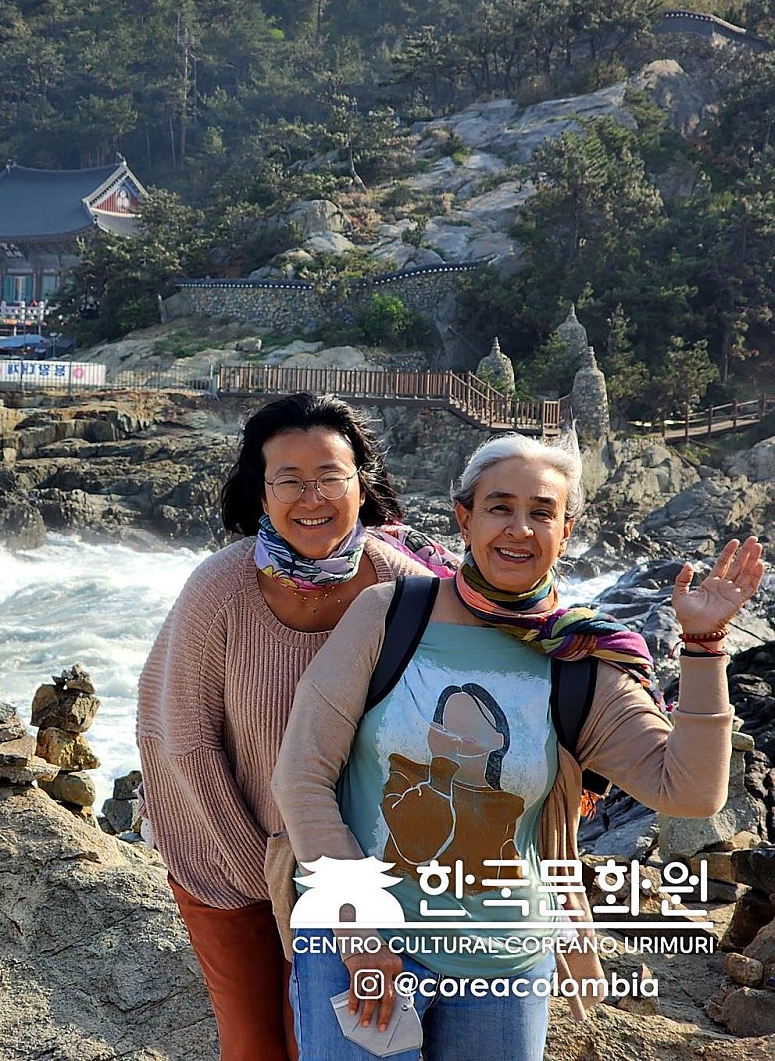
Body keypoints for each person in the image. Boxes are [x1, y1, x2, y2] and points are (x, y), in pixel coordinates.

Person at [272, 434, 763, 1061]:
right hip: (361, 945)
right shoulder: (389, 616)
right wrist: (358, 926)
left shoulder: (581, 659)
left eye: (541, 512)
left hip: (504, 962)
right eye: (499, 507)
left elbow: (690, 793)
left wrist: (704, 646)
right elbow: (302, 776)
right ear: (465, 518)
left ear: (567, 529)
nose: (519, 529)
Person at [137, 393, 452, 1061]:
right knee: (256, 1046)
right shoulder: (219, 589)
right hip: (226, 860)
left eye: (331, 477)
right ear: (261, 492)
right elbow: (181, 740)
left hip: (357, 872)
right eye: (289, 480)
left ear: (361, 485)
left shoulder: (406, 589)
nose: (313, 498)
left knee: (327, 1042)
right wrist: (268, 873)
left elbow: (448, 722)